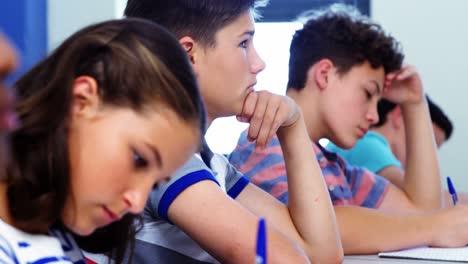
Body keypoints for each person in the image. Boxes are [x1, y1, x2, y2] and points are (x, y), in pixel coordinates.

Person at [113, 0, 343, 263]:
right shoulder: (157, 150)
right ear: (188, 55)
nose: (259, 63)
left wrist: (293, 126)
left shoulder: (209, 163)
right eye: (244, 43)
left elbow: (322, 253)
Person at [229, 4, 468, 254]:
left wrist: (415, 105)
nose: (374, 115)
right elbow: (322, 229)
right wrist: (434, 226)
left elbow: (423, 209)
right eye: (368, 93)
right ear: (325, 74)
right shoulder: (265, 141)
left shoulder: (337, 168)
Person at [0, 18, 206, 263]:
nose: (137, 203)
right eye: (138, 159)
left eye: (153, 185)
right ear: (81, 101)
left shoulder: (55, 238)